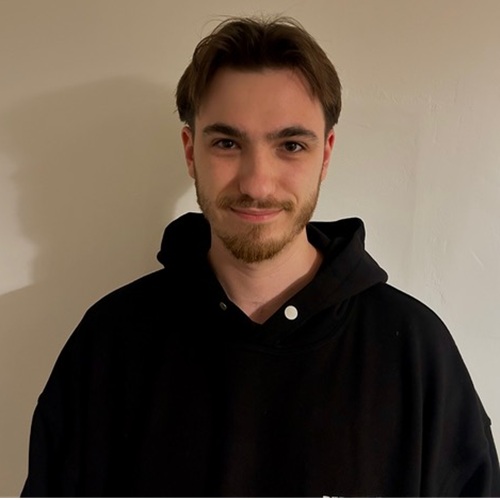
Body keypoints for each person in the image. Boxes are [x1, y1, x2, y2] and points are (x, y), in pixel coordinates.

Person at [22, 16, 500, 497]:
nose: (256, 183)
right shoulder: (109, 344)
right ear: (190, 151)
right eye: (227, 143)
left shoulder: (415, 353)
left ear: (325, 155)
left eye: (291, 145)